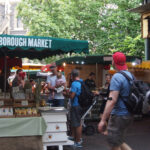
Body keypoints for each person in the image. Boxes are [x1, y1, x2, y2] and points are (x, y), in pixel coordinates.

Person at [98, 52, 133, 150]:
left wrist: (103, 120)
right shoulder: (130, 76)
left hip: (118, 115)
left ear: (114, 62)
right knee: (119, 141)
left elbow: (112, 100)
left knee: (114, 144)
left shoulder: (117, 77)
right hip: (128, 114)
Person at [69, 69, 83, 148]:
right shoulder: (81, 81)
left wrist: (66, 94)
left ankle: (78, 142)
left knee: (77, 124)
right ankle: (75, 138)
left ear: (72, 76)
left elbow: (72, 96)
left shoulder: (74, 83)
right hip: (80, 105)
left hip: (75, 105)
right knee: (77, 122)